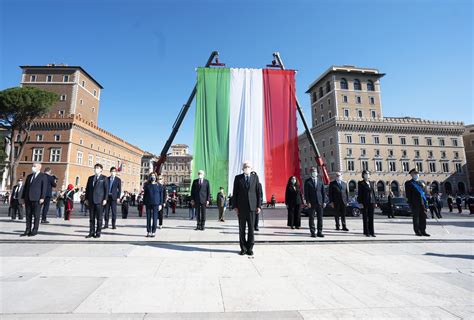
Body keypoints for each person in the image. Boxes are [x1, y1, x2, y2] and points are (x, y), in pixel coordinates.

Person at [232, 161, 262, 256]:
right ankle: (243, 248)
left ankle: (250, 248)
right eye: (245, 166)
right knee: (242, 229)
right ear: (242, 168)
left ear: (251, 168)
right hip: (241, 208)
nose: (247, 168)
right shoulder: (238, 178)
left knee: (251, 229)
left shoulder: (255, 177)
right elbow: (235, 193)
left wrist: (259, 206)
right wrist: (235, 206)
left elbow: (258, 193)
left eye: (248, 166)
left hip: (252, 207)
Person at [20, 162, 47, 237]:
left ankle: (34, 230)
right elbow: (25, 188)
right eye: (32, 166)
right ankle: (27, 229)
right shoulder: (29, 176)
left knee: (36, 215)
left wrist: (42, 197)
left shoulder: (43, 176)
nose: (33, 167)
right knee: (28, 215)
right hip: (28, 198)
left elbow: (44, 188)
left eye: (34, 166)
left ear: (39, 167)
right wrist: (22, 198)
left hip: (37, 199)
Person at [84, 163, 109, 238]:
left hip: (99, 201)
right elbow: (87, 189)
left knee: (99, 218)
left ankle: (98, 232)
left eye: (97, 168)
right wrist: (86, 199)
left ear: (101, 169)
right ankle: (91, 232)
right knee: (91, 218)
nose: (96, 169)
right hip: (91, 201)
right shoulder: (90, 178)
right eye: (95, 168)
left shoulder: (104, 178)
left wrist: (105, 199)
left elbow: (106, 190)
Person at [405, 168, 430, 237]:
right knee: (416, 218)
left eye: (417, 173)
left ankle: (423, 230)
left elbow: (425, 195)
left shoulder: (422, 183)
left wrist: (427, 205)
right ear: (411, 175)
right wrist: (410, 203)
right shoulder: (409, 183)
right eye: (415, 174)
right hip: (415, 203)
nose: (417, 175)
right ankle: (417, 231)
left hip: (423, 203)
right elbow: (408, 195)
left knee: (423, 217)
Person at [304, 167, 327, 238]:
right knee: (311, 217)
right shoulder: (307, 181)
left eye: (315, 171)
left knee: (320, 218)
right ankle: (313, 232)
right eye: (312, 171)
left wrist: (324, 201)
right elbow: (306, 193)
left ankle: (319, 232)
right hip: (311, 202)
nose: (314, 172)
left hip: (319, 202)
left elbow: (323, 192)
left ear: (317, 172)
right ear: (310, 173)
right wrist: (308, 202)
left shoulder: (320, 181)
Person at [143, 172, 163, 237]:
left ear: (156, 177)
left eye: (154, 175)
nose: (153, 176)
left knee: (155, 218)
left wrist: (160, 204)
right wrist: (143, 204)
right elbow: (145, 195)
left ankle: (153, 231)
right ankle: (148, 231)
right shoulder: (147, 185)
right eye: (151, 175)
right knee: (148, 218)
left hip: (156, 203)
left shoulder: (159, 185)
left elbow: (161, 195)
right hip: (148, 203)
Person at [357, 170, 377, 237]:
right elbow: (359, 194)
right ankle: (366, 231)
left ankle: (372, 232)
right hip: (365, 202)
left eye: (368, 174)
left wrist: (375, 202)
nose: (367, 175)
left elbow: (373, 193)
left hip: (371, 202)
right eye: (366, 174)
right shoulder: (361, 183)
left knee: (371, 217)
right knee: (365, 218)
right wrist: (360, 202)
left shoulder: (371, 183)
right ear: (363, 175)